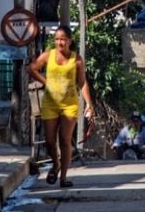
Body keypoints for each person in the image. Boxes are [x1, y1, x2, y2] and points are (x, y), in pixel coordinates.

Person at [28, 24, 95, 188]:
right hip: (50, 104)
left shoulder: (76, 59)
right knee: (50, 141)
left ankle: (63, 177)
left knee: (65, 140)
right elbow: (31, 68)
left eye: (63, 39)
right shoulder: (48, 56)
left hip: (69, 105)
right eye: (57, 39)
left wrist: (89, 104)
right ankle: (56, 164)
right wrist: (45, 82)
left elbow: (82, 82)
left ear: (69, 41)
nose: (59, 42)